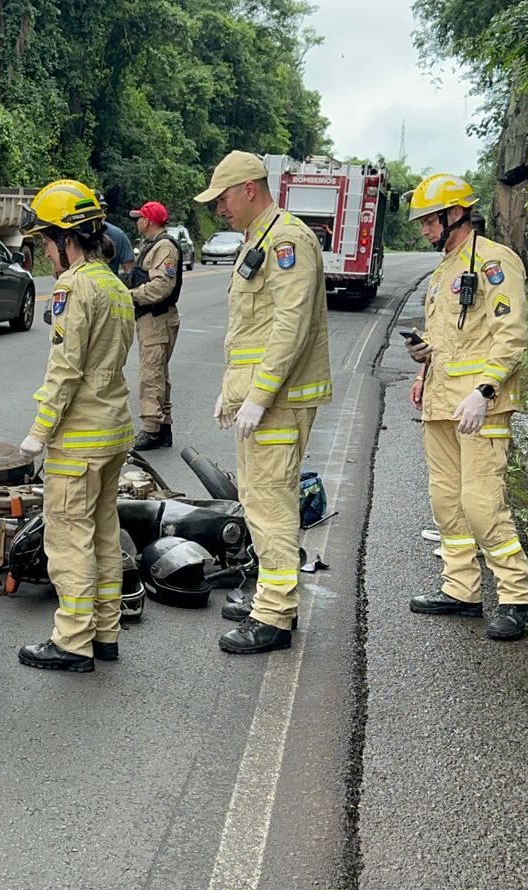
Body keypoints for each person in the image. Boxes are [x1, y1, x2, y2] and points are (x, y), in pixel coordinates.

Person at [194, 151, 332, 654]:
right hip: (261, 399)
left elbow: (289, 327)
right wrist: (233, 393)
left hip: (278, 400)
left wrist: (258, 395)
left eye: (224, 198)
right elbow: (251, 331)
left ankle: (273, 617)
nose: (220, 210)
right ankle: (275, 599)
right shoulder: (260, 239)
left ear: (250, 188)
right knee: (257, 499)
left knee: (270, 505)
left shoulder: (287, 239)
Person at [402, 173, 528, 640]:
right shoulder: (443, 270)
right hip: (440, 404)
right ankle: (461, 590)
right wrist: (422, 365)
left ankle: (517, 597)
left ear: (455, 214)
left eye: (428, 221)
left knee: (482, 503)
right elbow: (445, 339)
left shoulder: (497, 263)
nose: (423, 230)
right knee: (446, 501)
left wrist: (485, 392)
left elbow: (510, 335)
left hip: (480, 407)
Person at [14, 179, 137, 673]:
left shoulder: (74, 286)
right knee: (105, 534)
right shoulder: (114, 283)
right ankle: (105, 633)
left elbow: (65, 370)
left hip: (80, 439)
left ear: (66, 239)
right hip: (114, 432)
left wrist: (38, 433)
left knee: (68, 538)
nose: (45, 253)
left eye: (46, 241)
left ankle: (72, 641)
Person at [126, 200, 184, 451]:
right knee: (159, 375)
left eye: (139, 217)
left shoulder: (163, 248)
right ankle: (163, 429)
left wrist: (131, 295)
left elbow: (162, 286)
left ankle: (151, 429)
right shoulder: (154, 246)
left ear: (148, 221)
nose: (137, 221)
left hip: (157, 317)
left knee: (151, 375)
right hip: (153, 318)